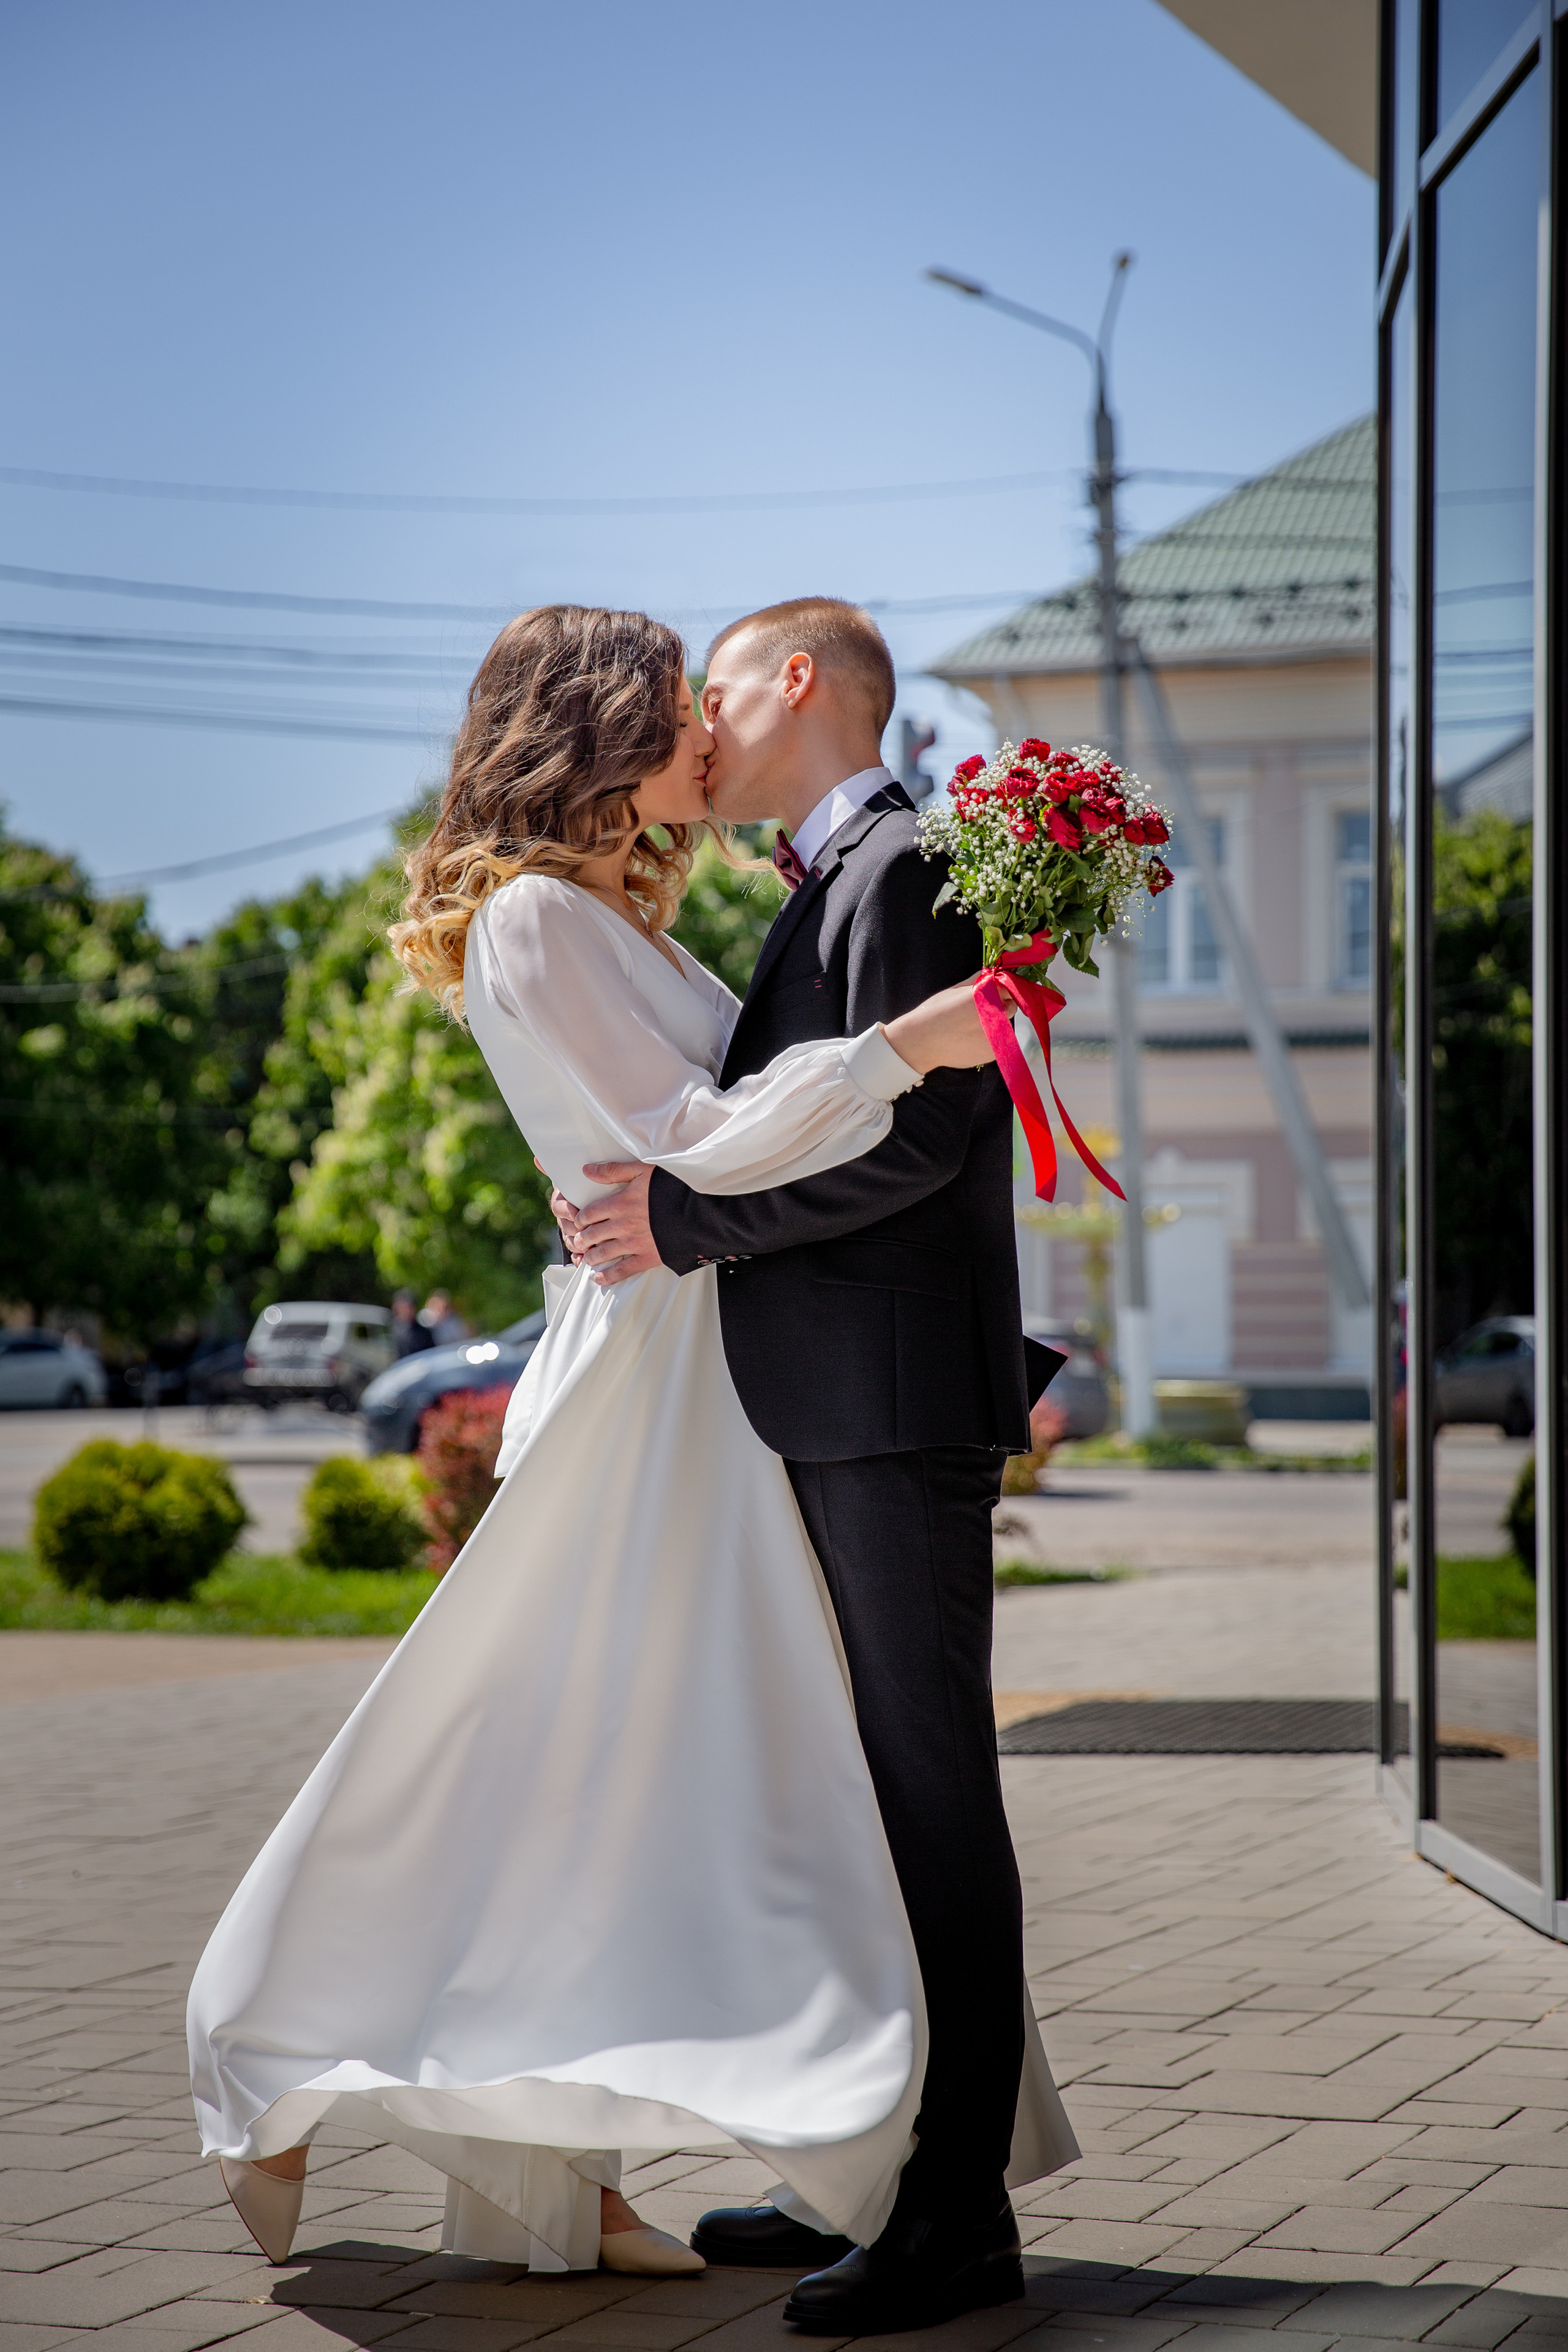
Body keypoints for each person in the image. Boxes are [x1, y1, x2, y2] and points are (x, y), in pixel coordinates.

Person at [184, 604, 1073, 2311]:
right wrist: (902, 1044)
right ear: (595, 725)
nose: (703, 734)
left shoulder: (634, 908)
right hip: (673, 1380)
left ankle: (865, 2169)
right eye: (672, 709)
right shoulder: (535, 919)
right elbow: (693, 1148)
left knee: (723, 1792)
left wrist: (864, 1085)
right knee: (529, 1753)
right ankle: (271, 2025)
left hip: (734, 1370)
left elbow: (729, 1160)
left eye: (709, 695)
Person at [551, 596, 1076, 2331]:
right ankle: (868, 2161)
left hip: (892, 1406)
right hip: (833, 1399)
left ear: (798, 684)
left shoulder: (907, 865)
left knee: (935, 1800)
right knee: (868, 1803)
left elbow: (930, 1129)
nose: (698, 726)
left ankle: (957, 2223)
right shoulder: (834, 880)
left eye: (716, 688)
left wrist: (684, 1219)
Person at [391, 1290, 433, 1359]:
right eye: (403, 1307)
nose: (406, 1310)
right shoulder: (390, 1330)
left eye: (409, 1307)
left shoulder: (423, 1332)